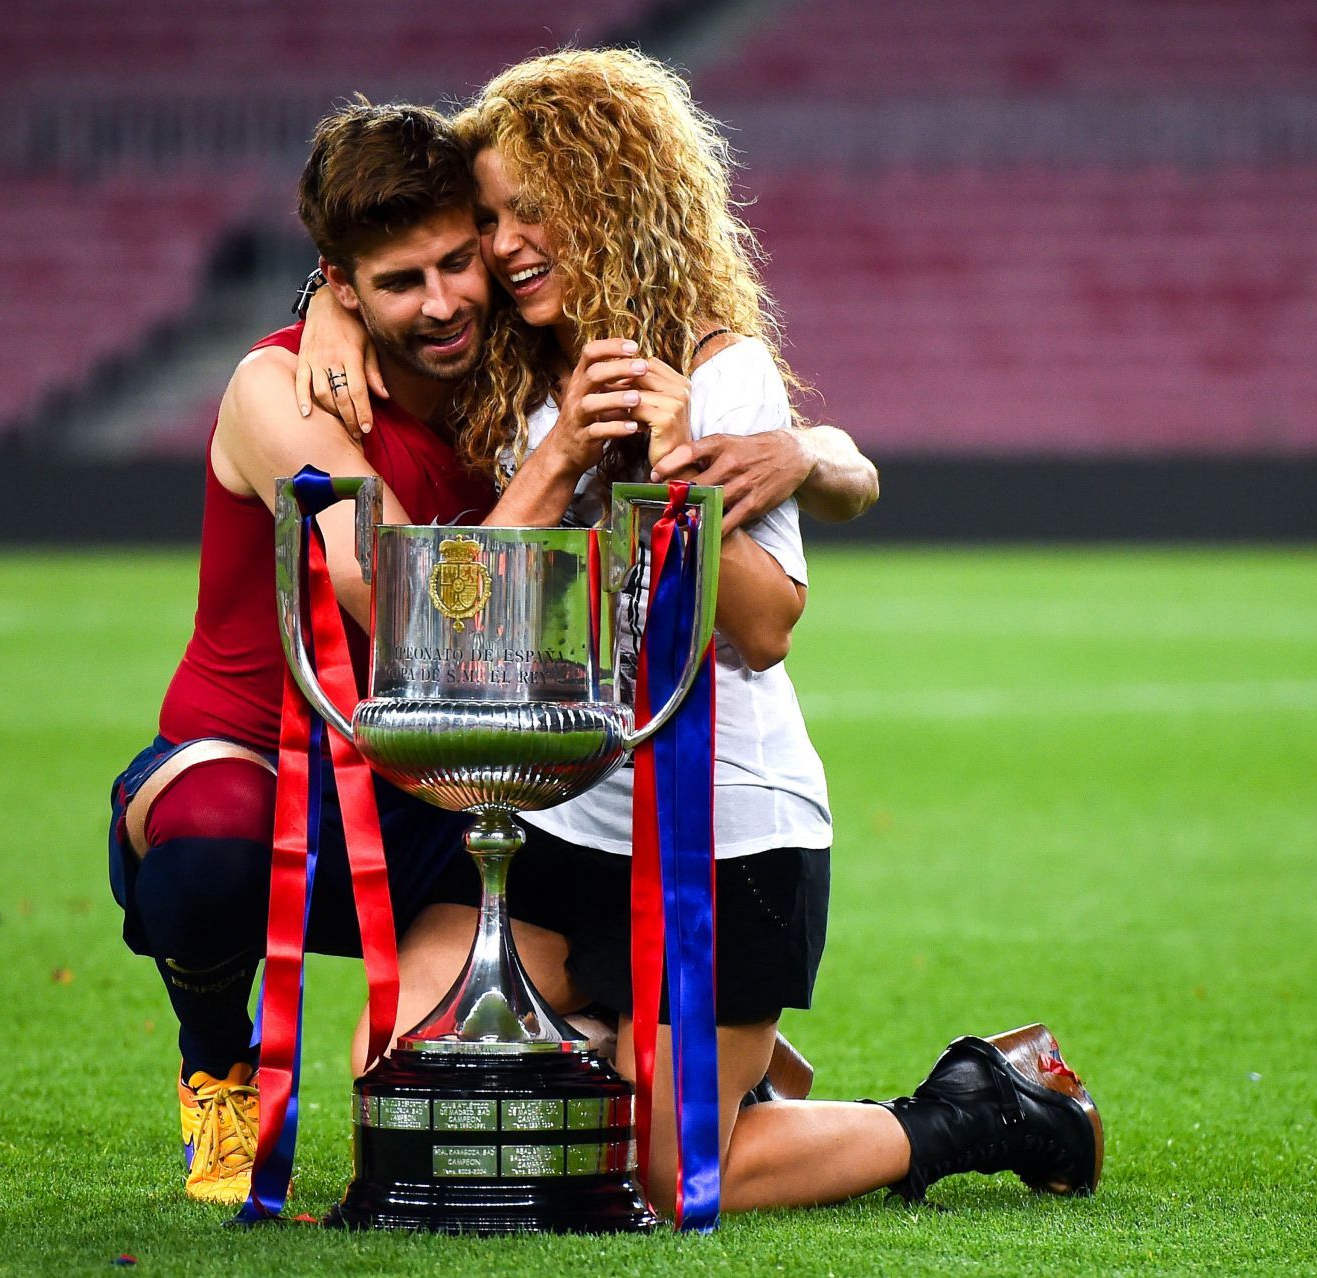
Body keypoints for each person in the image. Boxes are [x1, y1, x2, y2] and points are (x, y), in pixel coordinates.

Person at [299, 47, 1101, 1214]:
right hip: (566, 823)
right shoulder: (521, 385)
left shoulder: (720, 371)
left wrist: (677, 472)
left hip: (723, 834)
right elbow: (370, 270)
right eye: (492, 216)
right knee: (414, 1056)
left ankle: (974, 1107)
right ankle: (709, 1061)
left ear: (614, 199)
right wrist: (321, 309)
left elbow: (771, 624)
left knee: (676, 1178)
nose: (508, 242)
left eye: (536, 207)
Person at [107, 98, 830, 1205]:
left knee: (507, 1072)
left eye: (463, 258)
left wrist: (821, 451)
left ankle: (709, 1050)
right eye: (401, 281)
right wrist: (331, 318)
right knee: (213, 857)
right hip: (277, 765)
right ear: (341, 284)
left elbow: (743, 467)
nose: (445, 300)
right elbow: (406, 615)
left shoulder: (517, 371)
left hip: (450, 781)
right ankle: (218, 1061)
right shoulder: (284, 388)